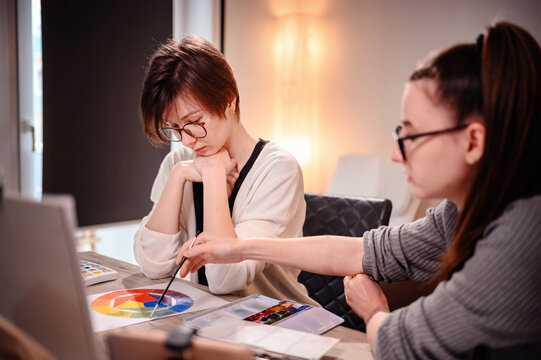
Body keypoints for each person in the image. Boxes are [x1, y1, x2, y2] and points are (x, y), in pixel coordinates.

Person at [176, 22, 541, 358]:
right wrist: (237, 247)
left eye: (411, 135)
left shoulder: (522, 238)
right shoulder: (461, 212)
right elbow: (362, 251)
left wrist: (375, 310)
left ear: (473, 141)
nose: (395, 154)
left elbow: (399, 341)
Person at [133, 35, 317, 306]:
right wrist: (179, 175)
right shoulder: (179, 163)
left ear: (228, 101)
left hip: (278, 322)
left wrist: (215, 177)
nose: (186, 140)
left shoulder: (278, 170)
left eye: (194, 122)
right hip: (207, 320)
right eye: (174, 128)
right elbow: (153, 266)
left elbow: (224, 280)